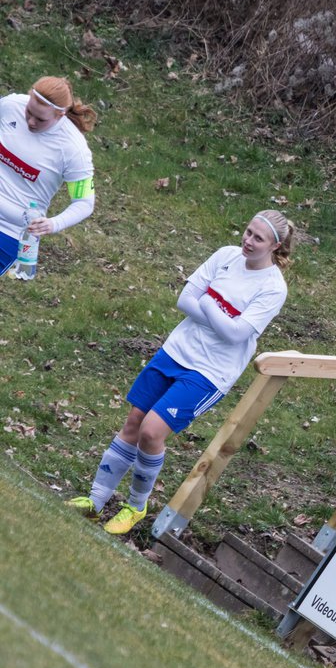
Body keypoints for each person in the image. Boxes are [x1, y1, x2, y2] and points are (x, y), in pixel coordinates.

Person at [68, 211, 294, 533]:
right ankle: (94, 501)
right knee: (134, 422)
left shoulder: (273, 288)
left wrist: (208, 304)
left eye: (258, 238)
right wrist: (217, 315)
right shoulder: (226, 256)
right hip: (176, 351)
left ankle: (135, 506)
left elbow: (235, 335)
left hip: (210, 372)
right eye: (247, 232)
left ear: (275, 245)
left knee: (151, 432)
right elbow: (185, 300)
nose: (248, 241)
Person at [0, 76, 97, 277]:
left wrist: (53, 224)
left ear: (60, 114)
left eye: (41, 119)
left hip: (10, 231)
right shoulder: (10, 106)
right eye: (29, 112)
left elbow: (84, 202)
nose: (31, 122)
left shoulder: (74, 150)